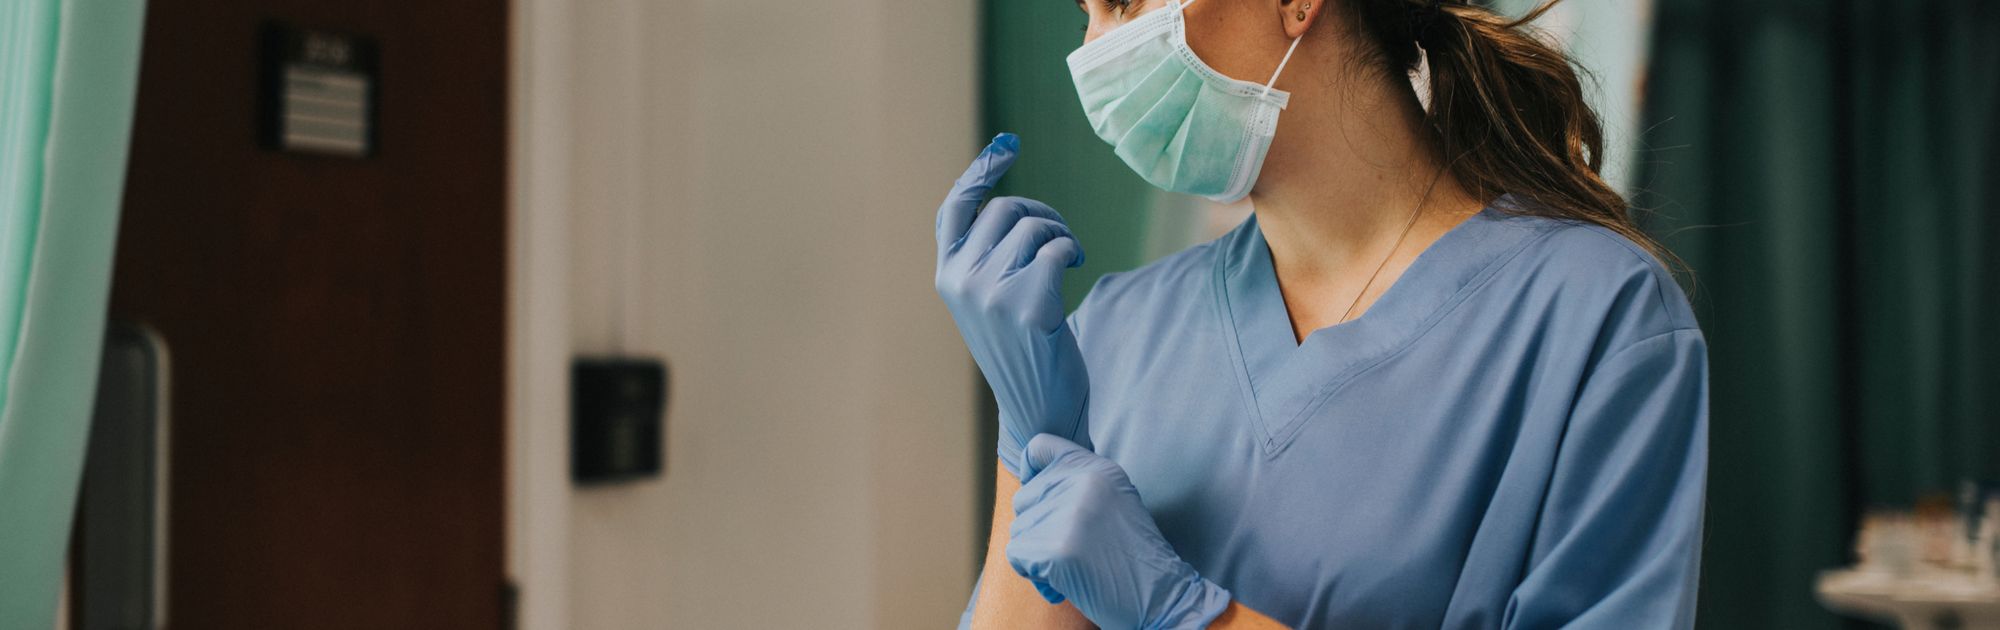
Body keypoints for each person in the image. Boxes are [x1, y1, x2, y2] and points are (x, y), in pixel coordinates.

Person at [933, 0, 1709, 627]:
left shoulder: (1594, 317)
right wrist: (1029, 439)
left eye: (1127, 2)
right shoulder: (1113, 333)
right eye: (1088, 14)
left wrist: (1186, 614)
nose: (1097, 49)